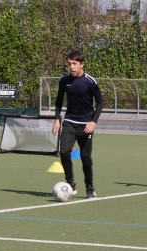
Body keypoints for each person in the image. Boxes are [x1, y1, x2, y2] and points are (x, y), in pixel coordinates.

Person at [51, 50, 104, 200]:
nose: (72, 67)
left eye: (74, 64)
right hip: (69, 122)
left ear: (82, 64)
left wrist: (94, 122)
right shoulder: (64, 81)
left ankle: (90, 188)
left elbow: (100, 103)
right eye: (69, 64)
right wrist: (57, 119)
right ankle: (70, 184)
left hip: (86, 125)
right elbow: (59, 101)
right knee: (64, 152)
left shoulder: (90, 82)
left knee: (86, 157)